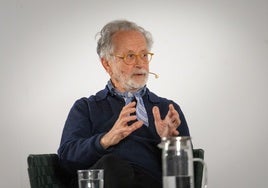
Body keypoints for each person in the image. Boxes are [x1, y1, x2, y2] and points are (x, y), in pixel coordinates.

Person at [57, 19, 190, 188]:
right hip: (105, 180)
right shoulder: (86, 108)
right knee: (113, 166)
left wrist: (171, 145)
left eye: (143, 55)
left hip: (150, 183)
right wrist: (105, 140)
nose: (140, 63)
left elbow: (186, 174)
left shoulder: (167, 110)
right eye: (130, 56)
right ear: (107, 64)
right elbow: (66, 161)